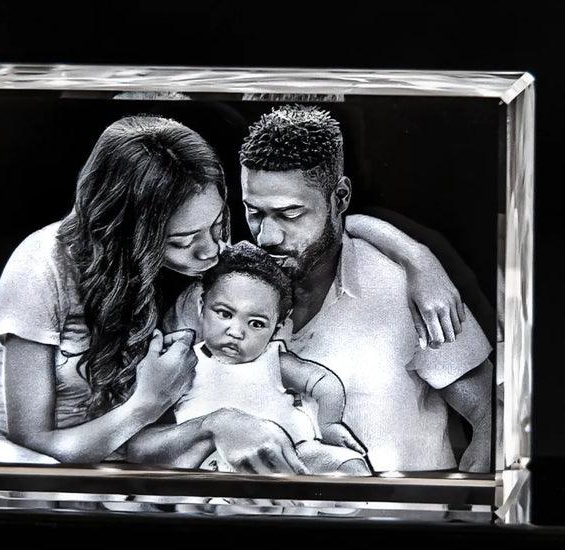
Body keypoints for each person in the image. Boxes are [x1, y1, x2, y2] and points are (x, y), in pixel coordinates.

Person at [0, 112, 466, 473]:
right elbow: (41, 443)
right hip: (4, 444)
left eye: (220, 224)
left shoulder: (197, 260)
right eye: (184, 241)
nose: (214, 252)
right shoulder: (43, 264)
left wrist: (419, 259)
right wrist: (153, 402)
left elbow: (319, 223)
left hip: (105, 442)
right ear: (131, 232)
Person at [165, 104, 494, 473]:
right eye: (254, 212)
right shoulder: (210, 298)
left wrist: (466, 515)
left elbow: (490, 416)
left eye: (290, 214)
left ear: (339, 198)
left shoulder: (404, 290)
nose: (267, 236)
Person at [173, 241, 371, 476]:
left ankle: (346, 510)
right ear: (201, 307)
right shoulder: (183, 362)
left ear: (277, 328)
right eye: (225, 314)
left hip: (296, 455)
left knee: (349, 464)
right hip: (219, 465)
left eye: (256, 323)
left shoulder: (272, 361)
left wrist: (329, 425)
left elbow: (323, 383)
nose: (236, 332)